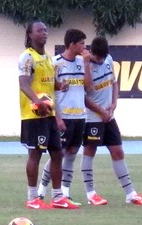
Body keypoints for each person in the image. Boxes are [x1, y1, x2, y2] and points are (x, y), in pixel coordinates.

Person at [81, 36, 142, 206]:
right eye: (98, 58)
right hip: (92, 118)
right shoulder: (85, 64)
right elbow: (85, 93)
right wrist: (101, 111)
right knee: (90, 151)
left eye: (104, 57)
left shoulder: (108, 59)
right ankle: (91, 194)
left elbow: (114, 82)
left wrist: (114, 103)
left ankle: (130, 194)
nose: (101, 60)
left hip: (108, 115)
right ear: (92, 53)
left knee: (118, 151)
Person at [17, 20, 79, 210]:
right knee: (35, 154)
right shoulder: (27, 57)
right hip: (34, 115)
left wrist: (60, 87)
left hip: (50, 115)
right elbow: (24, 84)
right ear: (30, 35)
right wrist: (37, 101)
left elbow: (50, 88)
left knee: (57, 153)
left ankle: (58, 197)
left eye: (45, 30)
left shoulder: (50, 59)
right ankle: (32, 198)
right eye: (39, 30)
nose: (44, 33)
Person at [37, 29, 93, 205]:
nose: (85, 47)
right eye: (82, 43)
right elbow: (48, 92)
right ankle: (41, 190)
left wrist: (86, 64)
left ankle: (65, 193)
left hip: (80, 116)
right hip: (63, 116)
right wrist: (57, 117)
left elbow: (89, 88)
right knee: (58, 155)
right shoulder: (55, 63)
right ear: (72, 44)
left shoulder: (81, 62)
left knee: (72, 153)